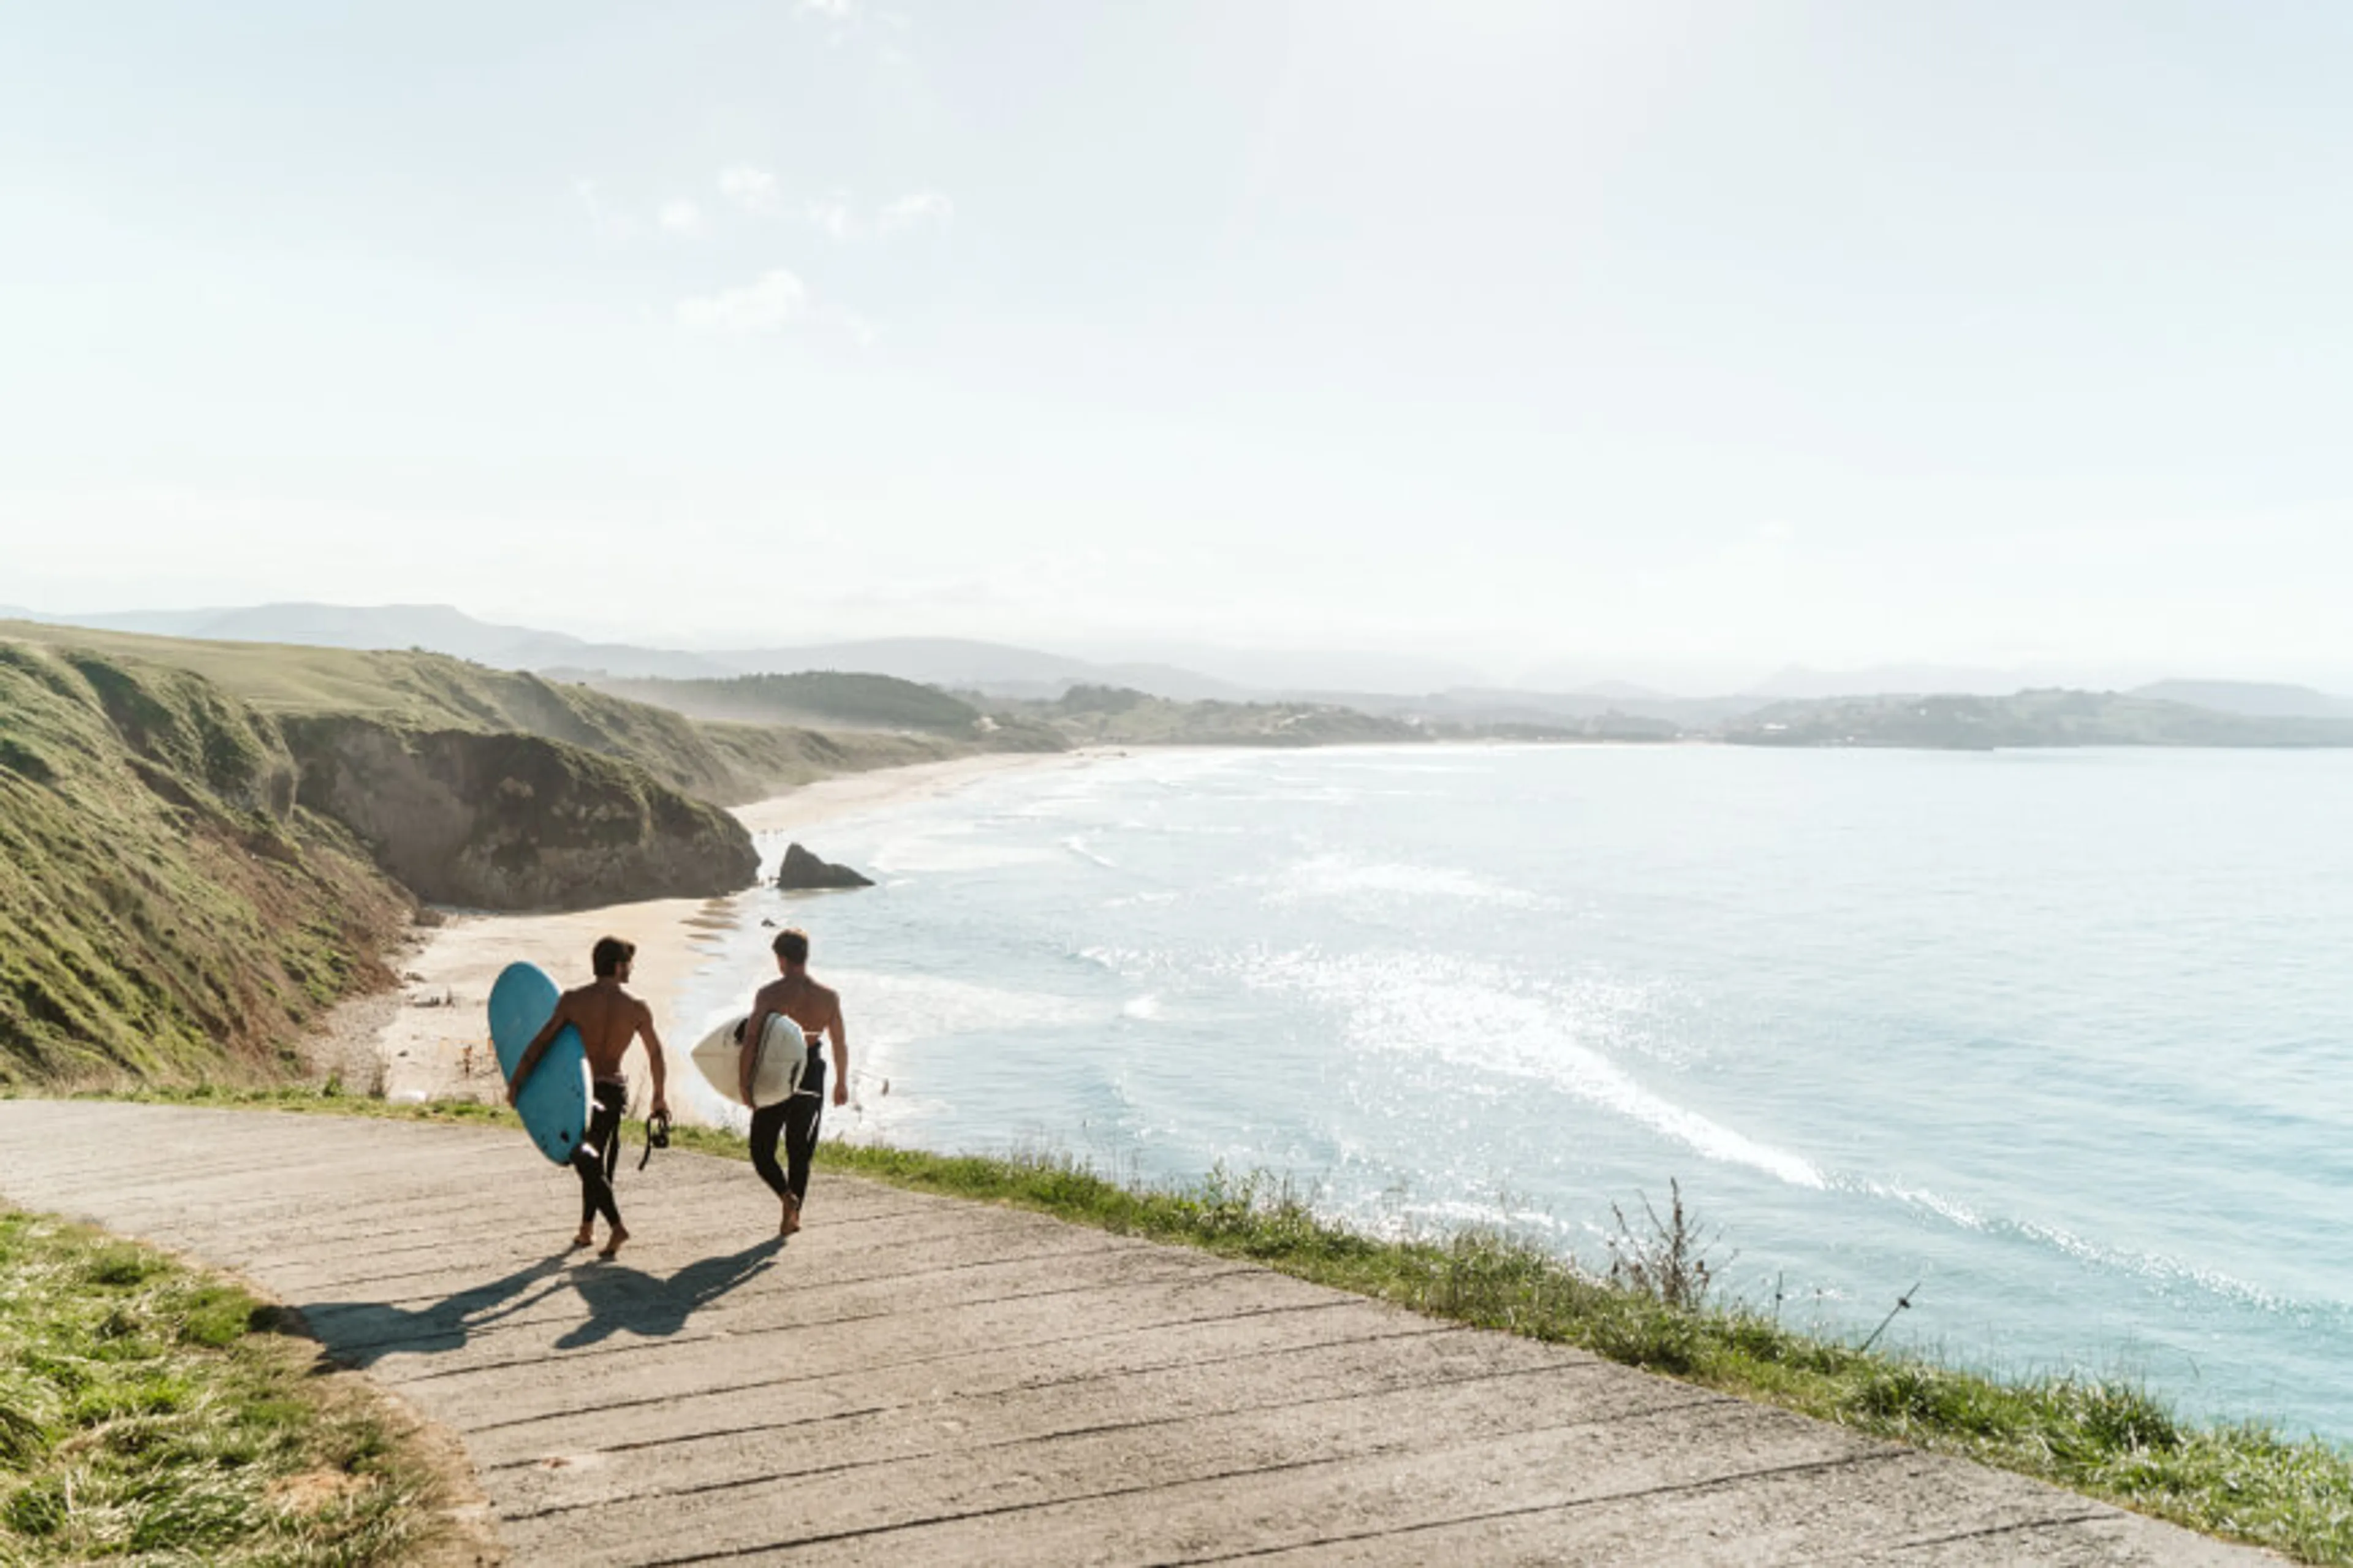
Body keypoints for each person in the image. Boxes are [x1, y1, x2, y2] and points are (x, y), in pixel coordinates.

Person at [509, 936, 669, 1259]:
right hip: (612, 1090)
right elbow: (655, 1053)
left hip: (578, 1090)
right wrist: (658, 1097)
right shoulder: (636, 1008)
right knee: (593, 1159)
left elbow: (541, 1043)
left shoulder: (573, 1001)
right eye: (629, 964)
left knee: (588, 1159)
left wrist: (518, 1082)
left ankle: (611, 1226)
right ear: (619, 966)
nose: (632, 970)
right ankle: (588, 1228)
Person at [741, 926, 847, 1238]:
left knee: (761, 1150)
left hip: (777, 1072)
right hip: (812, 1071)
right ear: (806, 956)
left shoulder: (770, 994)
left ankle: (786, 1197)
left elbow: (750, 1040)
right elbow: (840, 1043)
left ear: (782, 959)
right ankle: (794, 1215)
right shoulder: (829, 997)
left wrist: (745, 1083)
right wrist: (841, 1083)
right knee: (799, 1149)